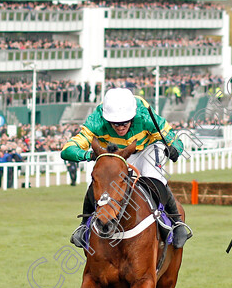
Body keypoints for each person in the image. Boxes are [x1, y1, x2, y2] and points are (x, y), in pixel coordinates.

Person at [62, 88, 189, 249]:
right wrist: (90, 156)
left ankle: (177, 223)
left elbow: (175, 140)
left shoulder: (145, 116)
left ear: (132, 116)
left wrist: (175, 149)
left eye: (125, 122)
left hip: (146, 149)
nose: (120, 127)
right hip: (116, 154)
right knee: (100, 181)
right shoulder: (97, 120)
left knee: (154, 178)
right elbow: (67, 150)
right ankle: (83, 225)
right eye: (115, 123)